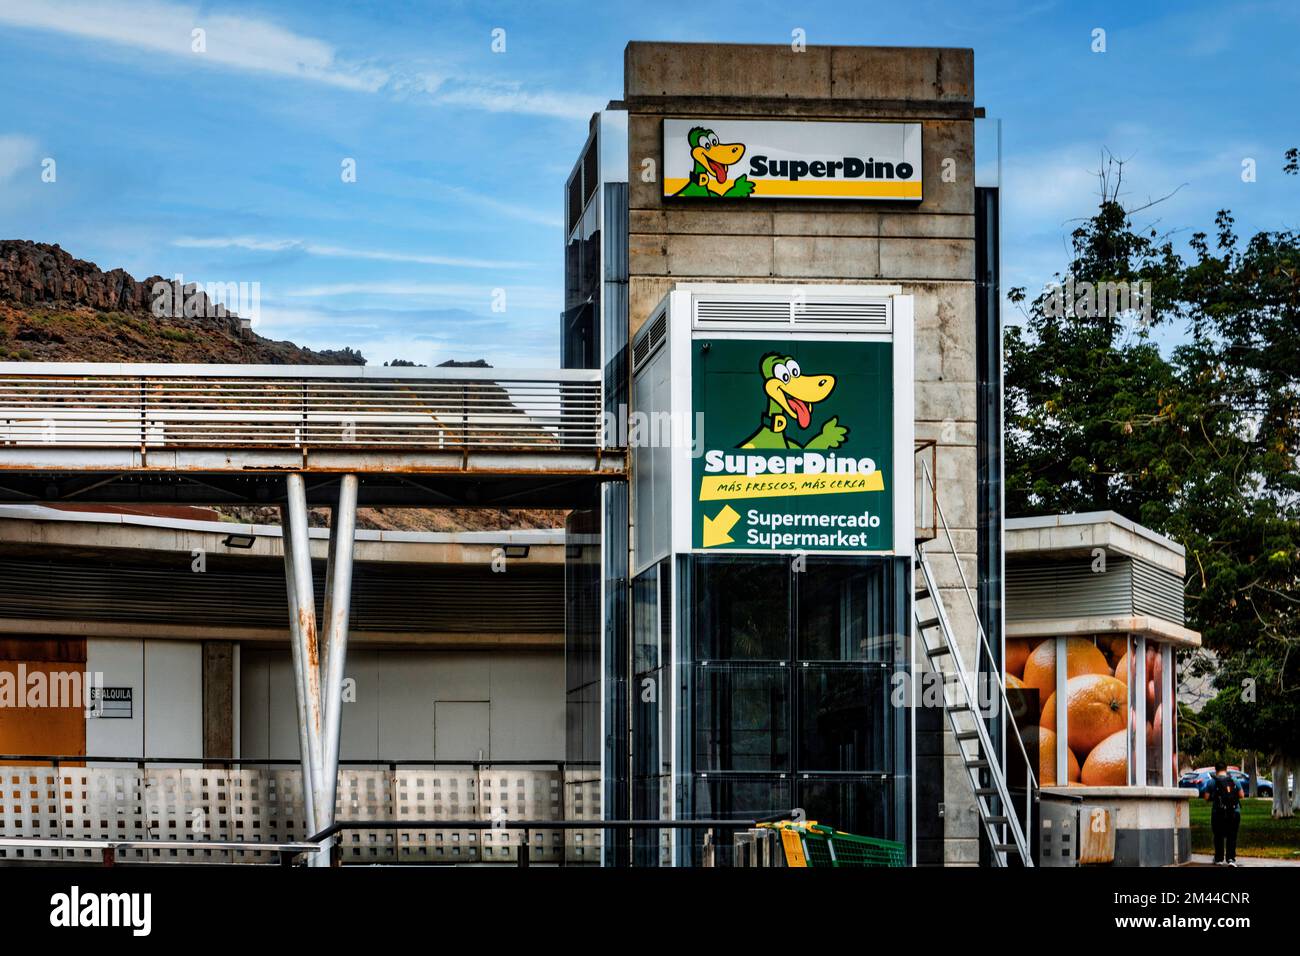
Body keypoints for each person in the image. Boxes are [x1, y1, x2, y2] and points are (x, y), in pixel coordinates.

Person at [1203, 762, 1243, 865]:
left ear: (1215, 770)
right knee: (1232, 836)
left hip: (1218, 812)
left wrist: (1215, 797)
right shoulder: (1234, 780)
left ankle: (1219, 859)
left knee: (1218, 835)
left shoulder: (1212, 782)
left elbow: (1206, 797)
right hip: (1234, 812)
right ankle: (1231, 859)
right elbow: (1241, 795)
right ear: (1226, 769)